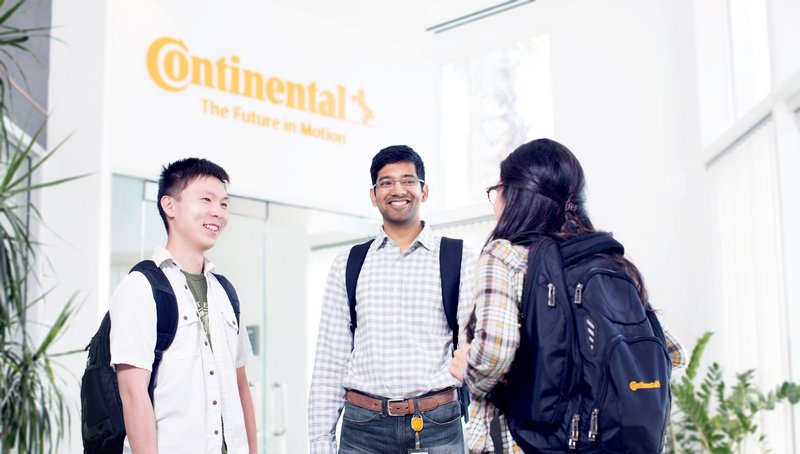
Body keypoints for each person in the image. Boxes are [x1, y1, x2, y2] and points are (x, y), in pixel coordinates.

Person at [449, 138, 686, 453]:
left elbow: (495, 352)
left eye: (497, 190)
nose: (495, 201)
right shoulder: (608, 260)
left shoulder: (505, 255)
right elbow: (672, 352)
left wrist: (467, 368)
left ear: (516, 195)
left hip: (522, 443)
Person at [308, 145, 476, 454]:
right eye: (386, 182)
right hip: (363, 430)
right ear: (373, 195)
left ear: (424, 191)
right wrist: (321, 444)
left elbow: (473, 351)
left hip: (438, 426)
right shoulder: (348, 263)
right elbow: (329, 362)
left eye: (408, 180)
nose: (398, 190)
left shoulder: (459, 256)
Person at [110, 158, 257, 454]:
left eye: (224, 204)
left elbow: (242, 387)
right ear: (170, 206)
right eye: (206, 199)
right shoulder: (142, 286)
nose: (218, 212)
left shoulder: (225, 292)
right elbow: (132, 392)